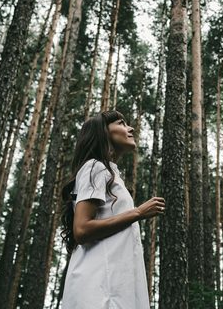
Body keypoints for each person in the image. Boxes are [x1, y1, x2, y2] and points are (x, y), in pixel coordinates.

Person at [60, 110, 165, 309]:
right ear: (103, 132)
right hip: (98, 288)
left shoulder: (110, 173)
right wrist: (138, 213)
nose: (131, 128)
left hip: (115, 284)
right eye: (122, 123)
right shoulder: (95, 167)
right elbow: (81, 230)